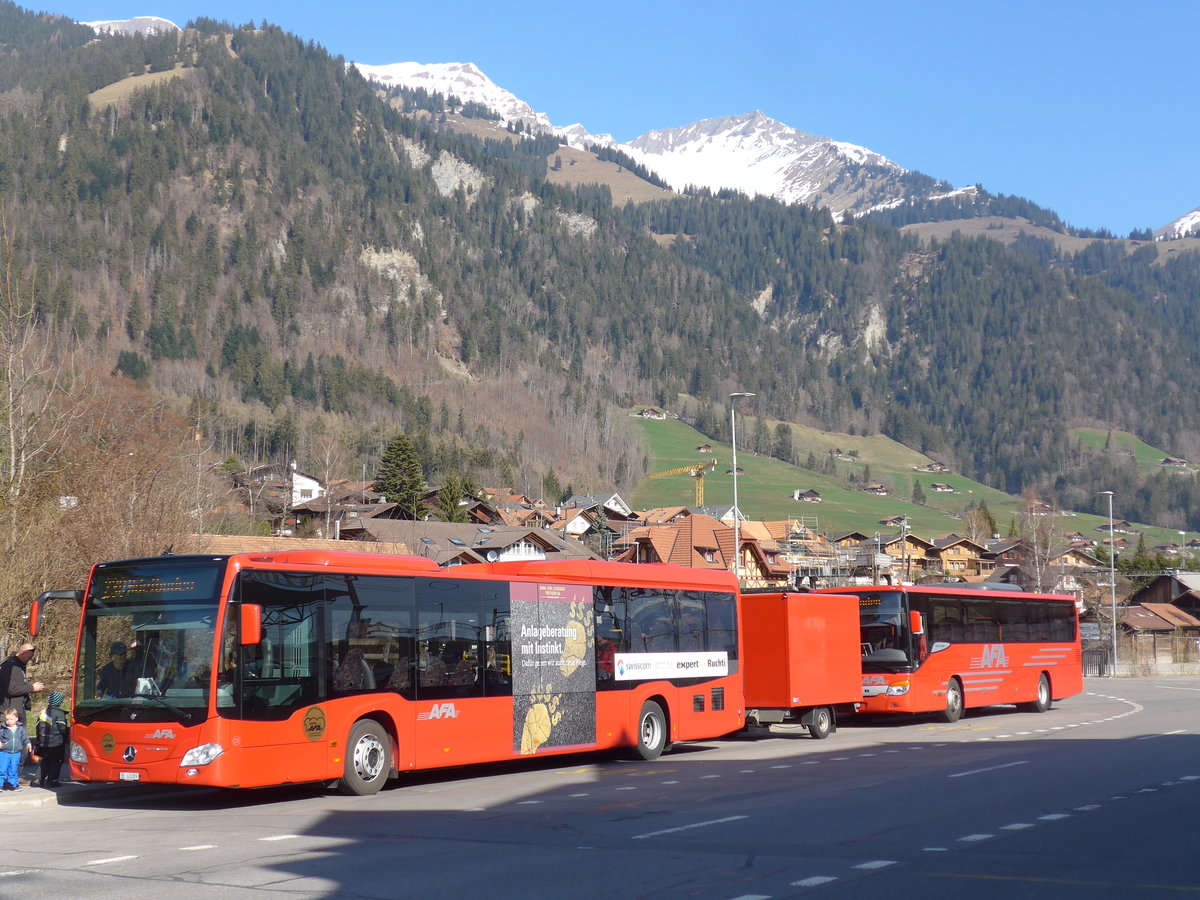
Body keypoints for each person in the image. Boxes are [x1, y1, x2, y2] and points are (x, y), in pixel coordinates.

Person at [35, 691, 69, 788]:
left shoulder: (43, 712)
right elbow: (62, 728)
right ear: (59, 702)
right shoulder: (59, 713)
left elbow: (37, 727)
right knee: (55, 761)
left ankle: (39, 779)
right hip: (56, 743)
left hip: (43, 743)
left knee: (45, 760)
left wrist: (39, 740)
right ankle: (52, 781)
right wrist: (66, 737)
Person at [0, 642, 44, 712]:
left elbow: (20, 685)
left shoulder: (20, 665)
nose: (30, 659)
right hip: (9, 712)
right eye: (29, 657)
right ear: (22, 652)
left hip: (18, 708)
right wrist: (32, 688)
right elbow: (12, 689)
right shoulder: (10, 666)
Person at [0, 706, 32, 791]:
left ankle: (13, 784)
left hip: (16, 753)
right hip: (5, 752)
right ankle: (0, 784)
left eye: (11, 719)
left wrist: (28, 743)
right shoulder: (3, 729)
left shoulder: (20, 729)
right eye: (7, 719)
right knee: (2, 769)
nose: (8, 721)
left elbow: (24, 738)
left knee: (13, 769)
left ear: (16, 718)